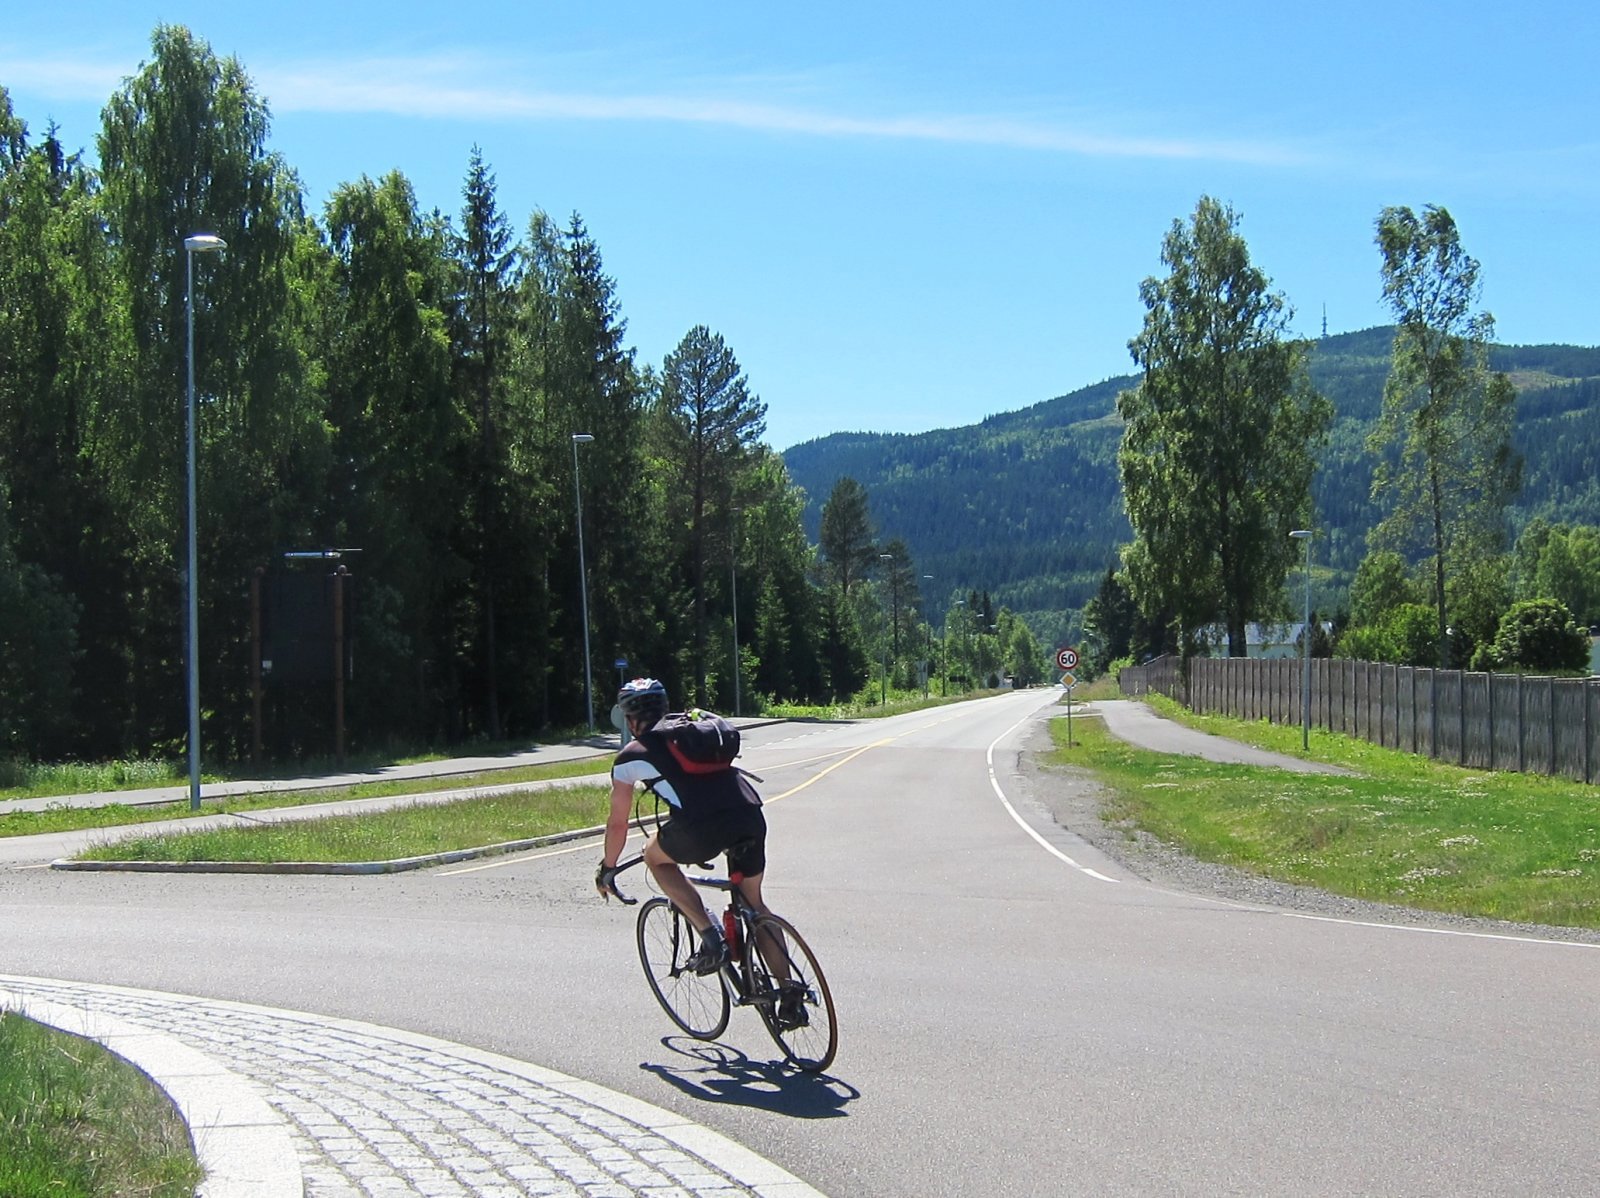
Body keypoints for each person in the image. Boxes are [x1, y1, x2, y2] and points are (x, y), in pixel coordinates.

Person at [596, 678, 803, 1025]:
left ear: (629, 720)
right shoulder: (695, 728)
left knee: (653, 856)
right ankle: (789, 992)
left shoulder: (630, 756)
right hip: (749, 813)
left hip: (700, 826)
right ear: (663, 707)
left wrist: (608, 867)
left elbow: (618, 823)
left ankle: (711, 937)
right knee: (754, 903)